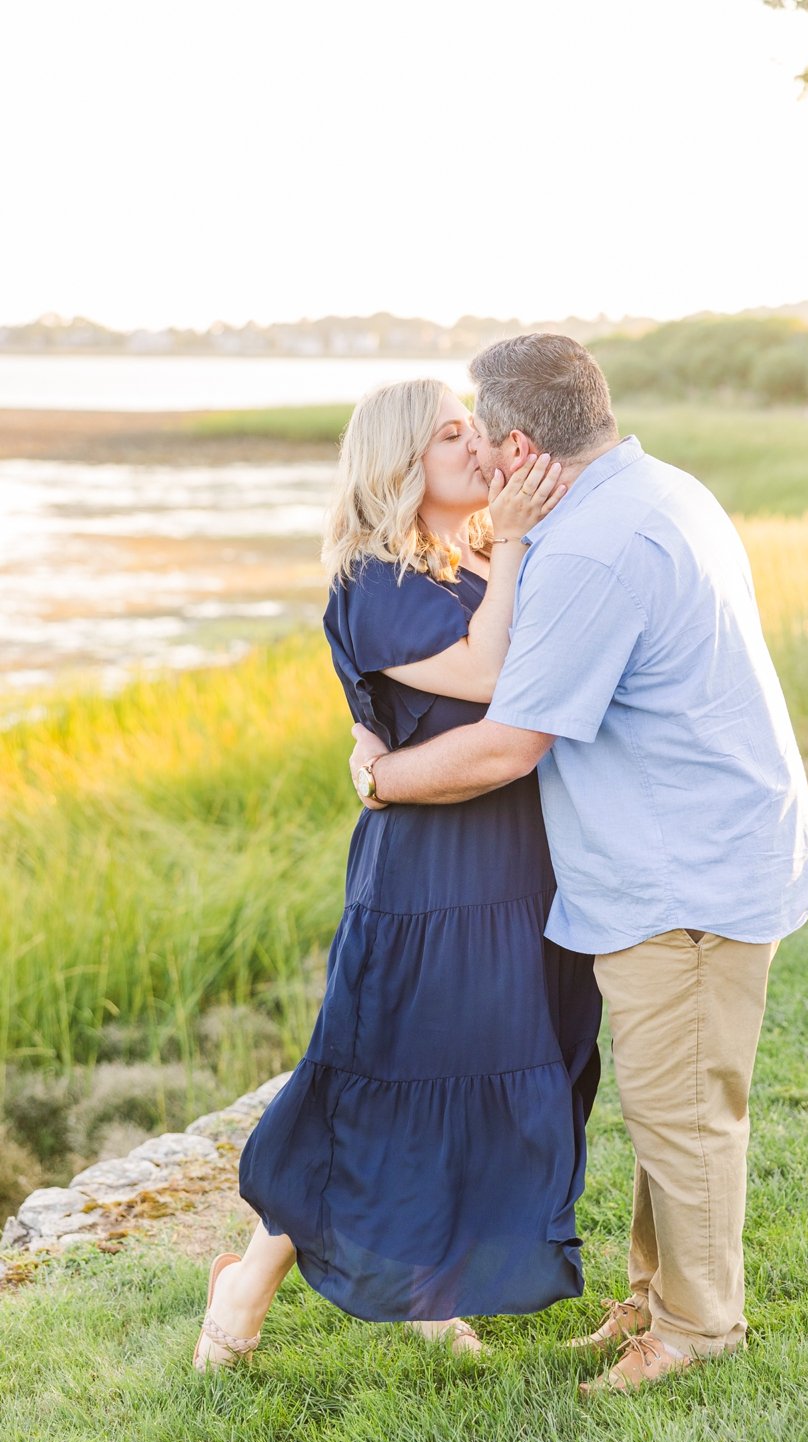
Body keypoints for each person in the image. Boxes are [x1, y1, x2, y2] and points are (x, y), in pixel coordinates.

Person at [349, 335, 808, 1394]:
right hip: (711, 841)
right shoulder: (659, 488)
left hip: (683, 868)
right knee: (675, 1093)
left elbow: (508, 742)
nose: (476, 450)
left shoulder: (587, 549)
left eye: (482, 432)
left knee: (685, 1108)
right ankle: (656, 1301)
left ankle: (698, 1329)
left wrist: (381, 777)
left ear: (521, 444)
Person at [191, 378, 602, 1372]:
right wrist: (509, 541)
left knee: (486, 1074)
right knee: (376, 1087)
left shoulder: (464, 562)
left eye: (472, 427)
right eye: (450, 435)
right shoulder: (372, 583)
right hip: (428, 884)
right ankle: (243, 1288)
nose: (477, 446)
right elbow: (495, 678)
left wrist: (507, 542)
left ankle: (429, 1286)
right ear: (397, 463)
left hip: (515, 866)